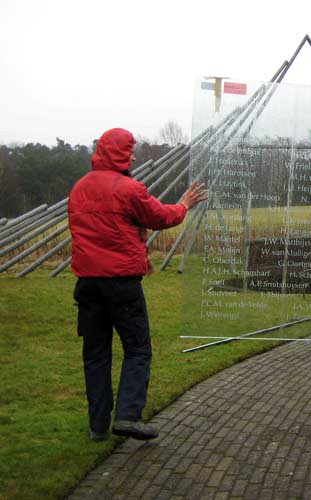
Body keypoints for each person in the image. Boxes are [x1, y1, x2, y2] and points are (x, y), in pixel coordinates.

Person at [69, 128, 208, 441]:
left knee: (95, 354)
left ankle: (98, 426)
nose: (132, 156)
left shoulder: (79, 189)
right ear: (117, 153)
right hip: (121, 284)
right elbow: (160, 218)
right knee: (138, 349)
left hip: (88, 284)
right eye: (129, 150)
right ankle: (128, 416)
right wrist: (184, 204)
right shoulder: (128, 188)